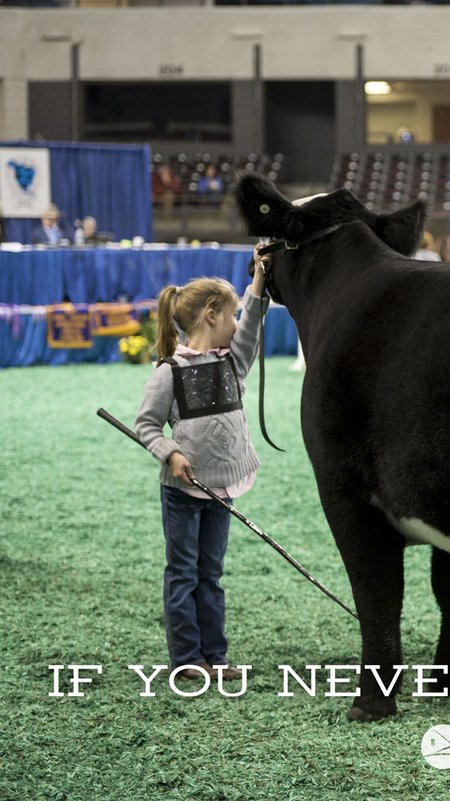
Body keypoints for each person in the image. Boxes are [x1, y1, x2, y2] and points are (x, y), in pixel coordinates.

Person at [134, 251, 269, 678]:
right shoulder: (167, 372)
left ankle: (217, 657)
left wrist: (260, 279)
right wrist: (170, 453)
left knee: (210, 575)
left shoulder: (234, 360)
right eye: (229, 315)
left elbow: (252, 321)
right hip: (183, 494)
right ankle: (188, 660)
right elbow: (147, 426)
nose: (235, 323)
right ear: (211, 315)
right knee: (184, 574)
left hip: (222, 492)